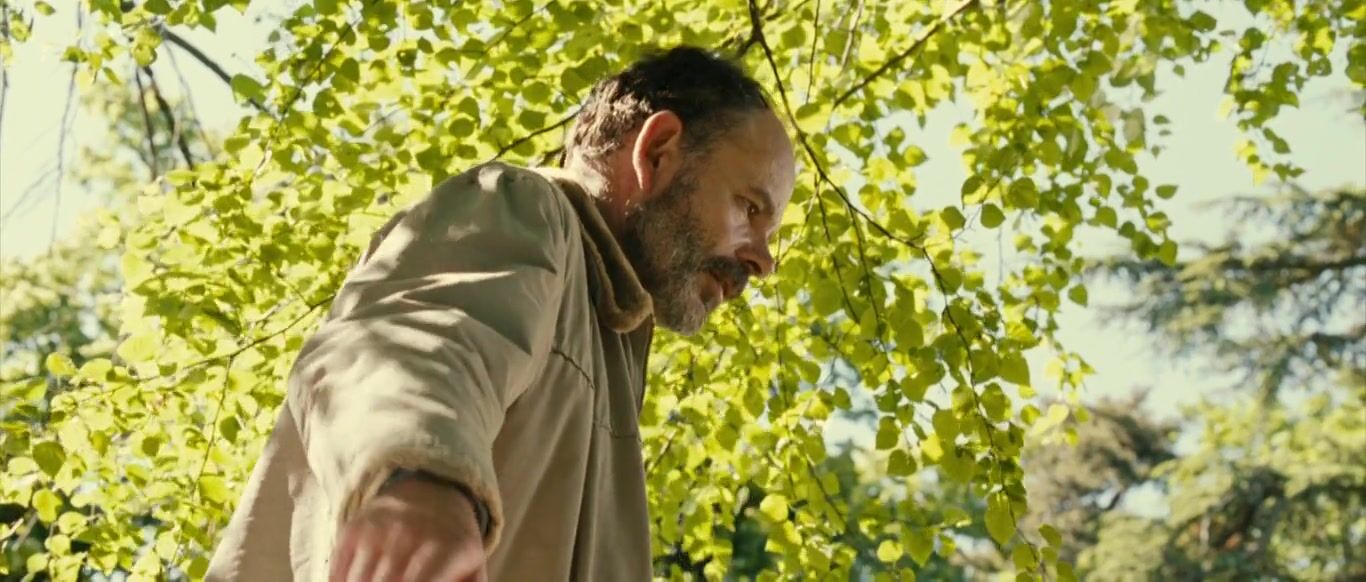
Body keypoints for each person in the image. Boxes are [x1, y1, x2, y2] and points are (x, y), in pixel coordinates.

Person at [206, 45, 796, 581]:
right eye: (750, 207)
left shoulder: (609, 341)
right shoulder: (522, 210)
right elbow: (409, 340)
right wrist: (420, 478)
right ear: (658, 151)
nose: (764, 261)